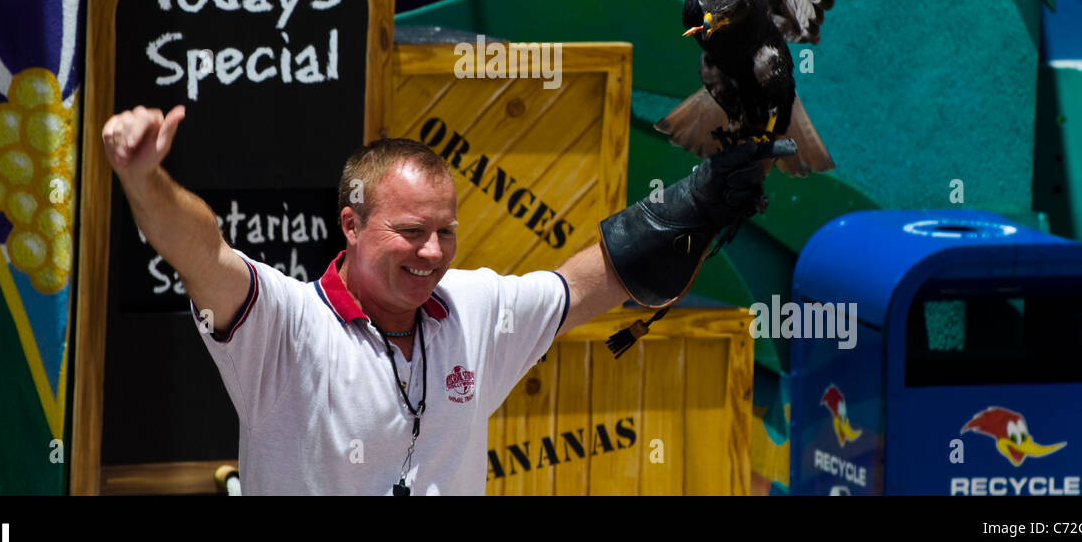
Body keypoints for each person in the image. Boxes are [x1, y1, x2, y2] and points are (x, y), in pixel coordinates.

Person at [101, 104, 788, 495]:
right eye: (410, 232)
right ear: (351, 224)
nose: (432, 253)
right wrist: (142, 177)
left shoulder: (472, 307)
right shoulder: (285, 325)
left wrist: (697, 200)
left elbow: (588, 282)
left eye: (446, 232)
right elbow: (200, 251)